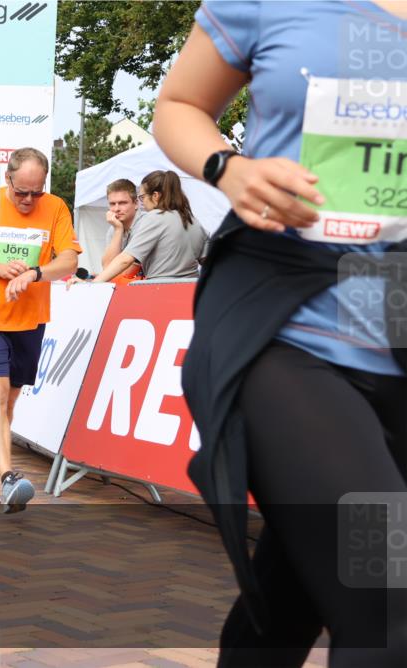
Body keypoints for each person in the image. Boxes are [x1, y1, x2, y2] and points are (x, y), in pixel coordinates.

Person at [154, 2, 407, 665]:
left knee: (293, 589)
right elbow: (179, 103)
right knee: (387, 597)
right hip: (290, 323)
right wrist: (227, 168)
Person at [0, 147, 80, 512]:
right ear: (8, 178)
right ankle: (8, 478)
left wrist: (35, 273)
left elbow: (69, 258)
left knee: (8, 403)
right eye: (21, 191)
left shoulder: (54, 207)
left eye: (35, 192)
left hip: (30, 319)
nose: (28, 200)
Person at [87, 170, 207, 283]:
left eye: (142, 197)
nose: (143, 202)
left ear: (155, 196)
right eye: (112, 204)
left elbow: (125, 260)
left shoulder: (154, 218)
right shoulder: (193, 220)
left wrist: (93, 284)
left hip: (161, 290)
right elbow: (210, 261)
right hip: (192, 291)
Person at [101, 179, 143, 283]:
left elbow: (126, 272)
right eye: (112, 204)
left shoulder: (146, 224)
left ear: (136, 203)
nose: (116, 209)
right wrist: (118, 230)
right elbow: (107, 268)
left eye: (122, 203)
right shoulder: (114, 227)